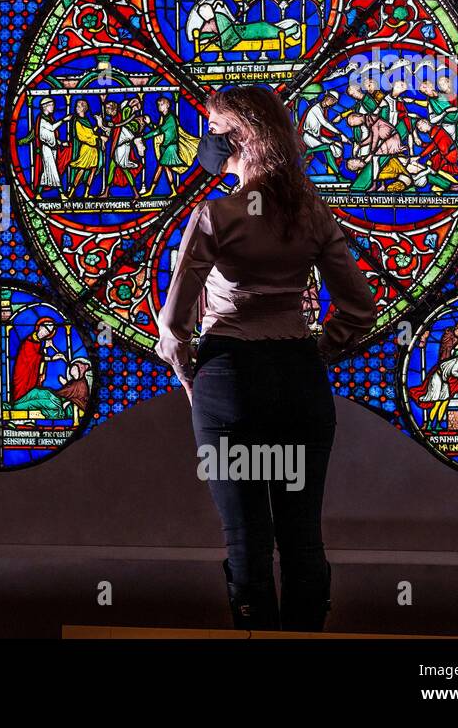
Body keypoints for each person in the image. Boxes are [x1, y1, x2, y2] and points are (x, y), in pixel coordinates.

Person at [155, 84, 377, 633]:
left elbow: (174, 329)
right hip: (299, 380)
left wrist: (194, 384)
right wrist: (312, 354)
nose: (204, 143)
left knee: (246, 539)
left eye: (212, 131)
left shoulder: (217, 215)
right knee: (302, 537)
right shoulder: (315, 215)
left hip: (229, 381)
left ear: (236, 141)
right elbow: (359, 311)